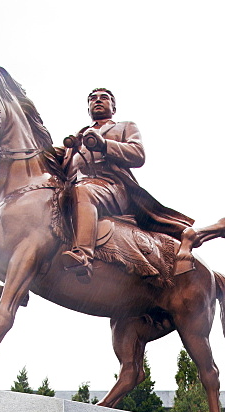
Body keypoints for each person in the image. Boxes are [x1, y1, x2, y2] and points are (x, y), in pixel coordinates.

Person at [62, 88, 192, 278]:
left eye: (104, 98)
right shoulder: (78, 136)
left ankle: (83, 256)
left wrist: (104, 145)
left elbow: (137, 155)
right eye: (92, 99)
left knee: (83, 192)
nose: (97, 101)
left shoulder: (124, 127)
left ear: (113, 108)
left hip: (111, 186)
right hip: (74, 186)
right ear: (88, 108)